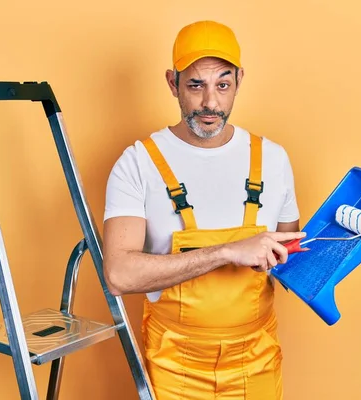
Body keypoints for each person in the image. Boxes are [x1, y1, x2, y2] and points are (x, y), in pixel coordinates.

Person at [102, 20, 304, 400]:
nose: (210, 103)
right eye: (196, 85)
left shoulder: (273, 160)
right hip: (174, 365)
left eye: (222, 85)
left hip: (256, 361)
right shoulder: (139, 163)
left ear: (239, 81)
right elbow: (119, 275)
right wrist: (228, 252)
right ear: (172, 82)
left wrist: (342, 249)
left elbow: (288, 259)